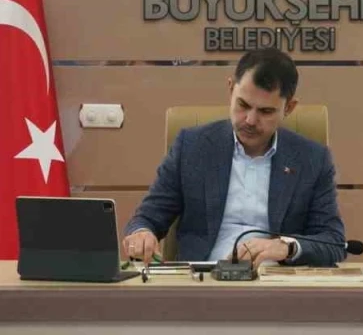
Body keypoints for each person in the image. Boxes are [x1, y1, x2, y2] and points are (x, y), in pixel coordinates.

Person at [123, 48, 345, 268]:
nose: (250, 120)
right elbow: (148, 218)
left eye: (265, 112)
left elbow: (334, 242)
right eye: (243, 105)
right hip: (204, 280)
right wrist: (142, 234)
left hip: (275, 282)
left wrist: (287, 247)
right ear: (231, 89)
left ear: (289, 107)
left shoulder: (312, 159)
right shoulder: (191, 147)